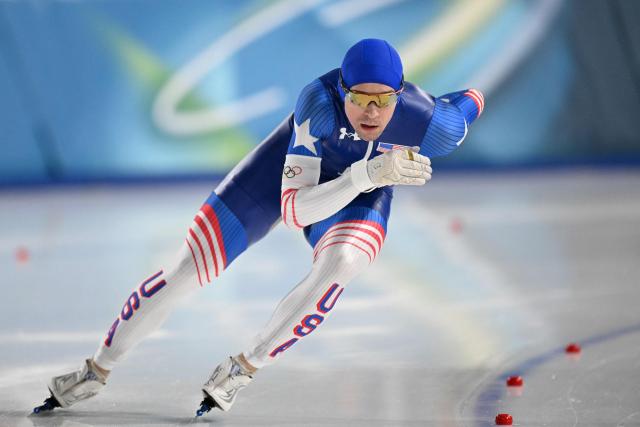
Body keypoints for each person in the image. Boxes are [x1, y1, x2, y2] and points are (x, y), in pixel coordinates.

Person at [33, 38, 484, 416]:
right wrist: (367, 174)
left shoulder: (431, 123)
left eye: (383, 100)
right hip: (279, 180)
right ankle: (97, 369)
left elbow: (469, 103)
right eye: (359, 99)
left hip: (361, 194)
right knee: (188, 270)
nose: (370, 112)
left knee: (343, 261)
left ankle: (243, 368)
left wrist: (370, 177)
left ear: (400, 94)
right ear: (341, 90)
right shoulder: (318, 104)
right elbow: (294, 213)